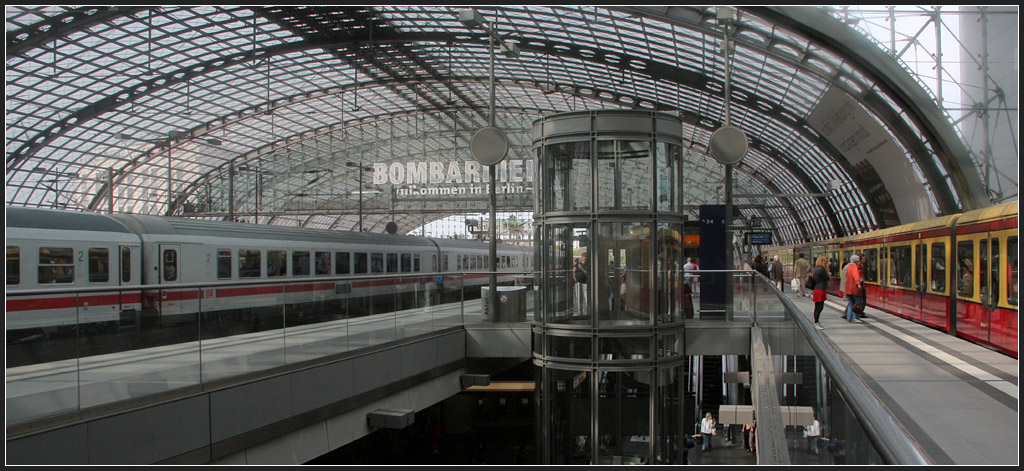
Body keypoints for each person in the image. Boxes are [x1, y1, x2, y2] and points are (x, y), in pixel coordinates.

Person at [812, 256, 830, 329]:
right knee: (820, 307)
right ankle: (816, 322)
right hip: (821, 289)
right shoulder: (822, 269)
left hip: (816, 289)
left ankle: (816, 322)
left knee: (817, 306)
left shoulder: (815, 268)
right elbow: (827, 278)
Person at [844, 254, 864, 322]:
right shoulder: (855, 267)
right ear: (855, 260)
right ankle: (855, 317)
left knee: (851, 303)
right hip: (853, 289)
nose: (859, 261)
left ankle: (849, 317)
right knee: (857, 303)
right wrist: (858, 284)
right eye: (858, 260)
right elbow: (856, 276)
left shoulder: (849, 267)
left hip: (848, 289)